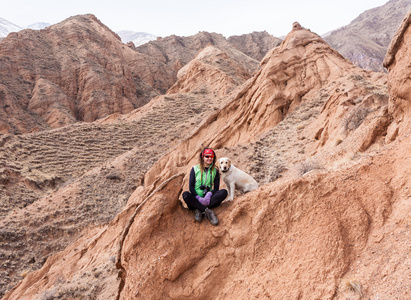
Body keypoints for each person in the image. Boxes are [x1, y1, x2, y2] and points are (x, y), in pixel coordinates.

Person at [182, 148, 228, 225]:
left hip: (208, 199)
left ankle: (199, 209)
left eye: (211, 156)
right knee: (185, 195)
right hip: (196, 198)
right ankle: (208, 211)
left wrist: (209, 194)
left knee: (224, 192)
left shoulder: (215, 171)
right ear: (202, 157)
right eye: (207, 156)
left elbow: (216, 188)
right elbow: (191, 187)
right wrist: (198, 197)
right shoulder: (195, 169)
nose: (209, 158)